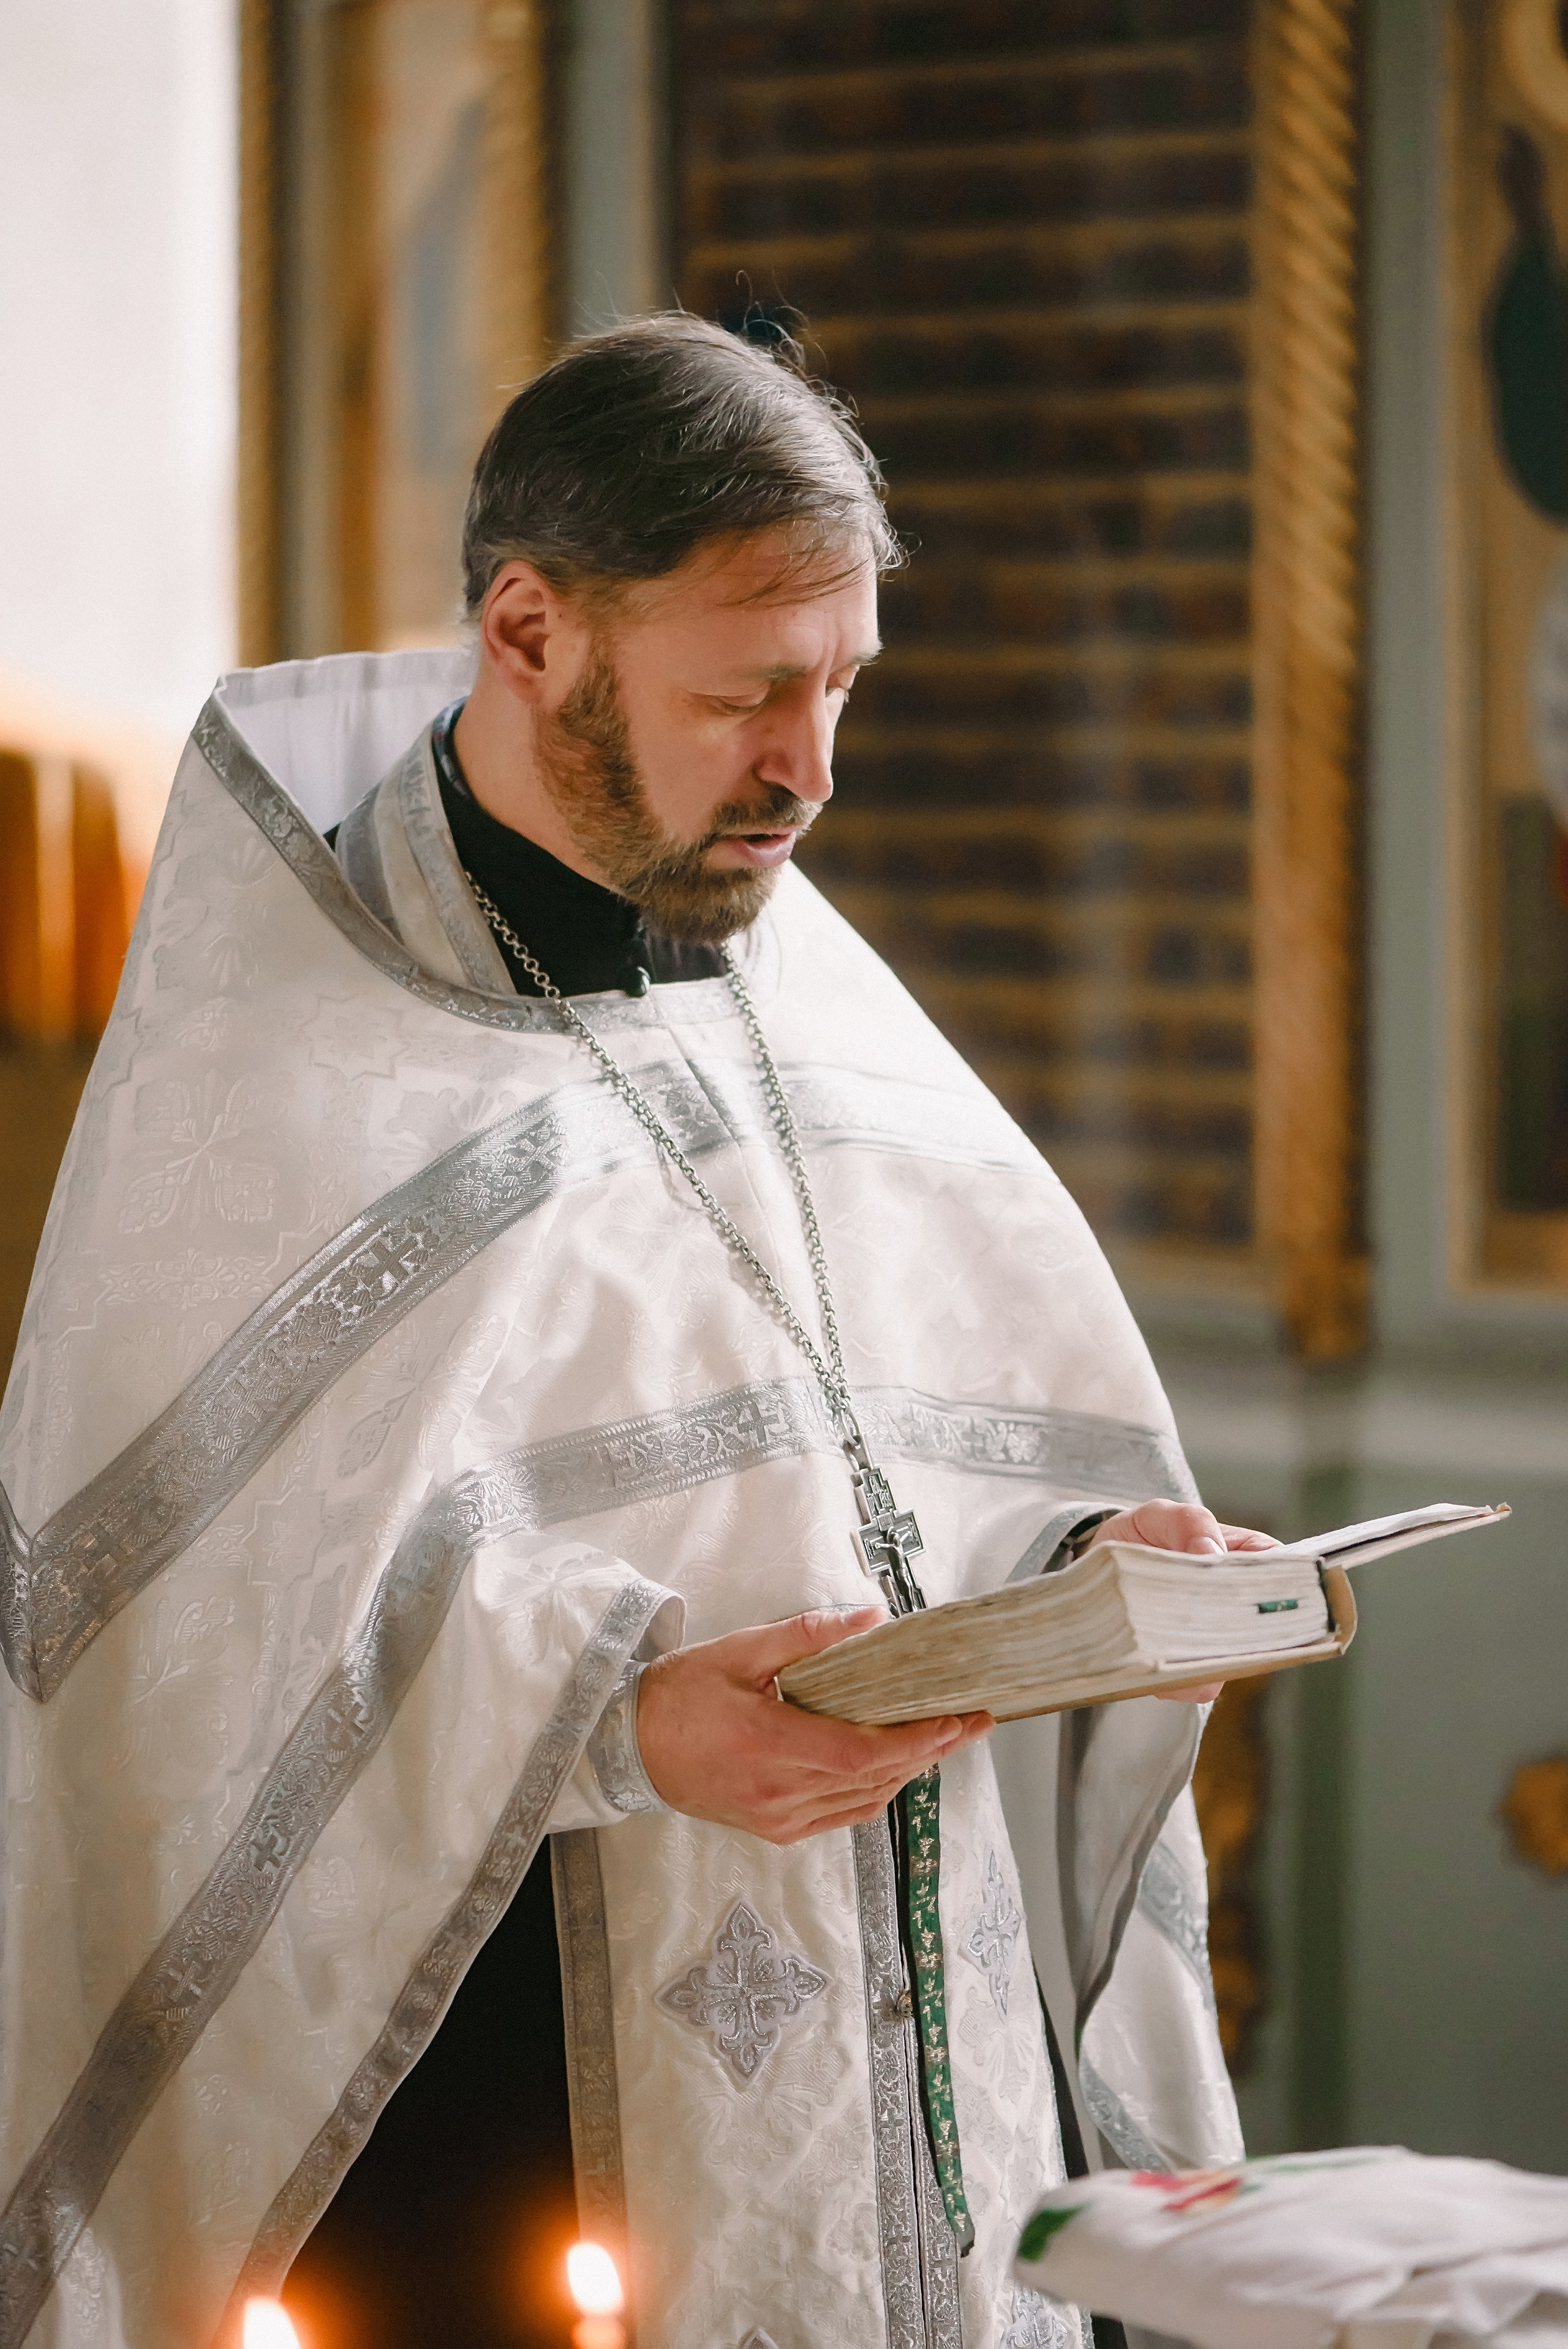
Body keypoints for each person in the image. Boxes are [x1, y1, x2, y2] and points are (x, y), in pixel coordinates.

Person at [0, 316, 1264, 2349]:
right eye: (746, 688)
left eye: (844, 681)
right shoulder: (279, 1074)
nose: (813, 764)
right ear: (529, 631)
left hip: (909, 2061)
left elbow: (933, 1441)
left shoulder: (805, 989)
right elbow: (173, 1652)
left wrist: (1080, 1582)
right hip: (499, 2121)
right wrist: (621, 1712)